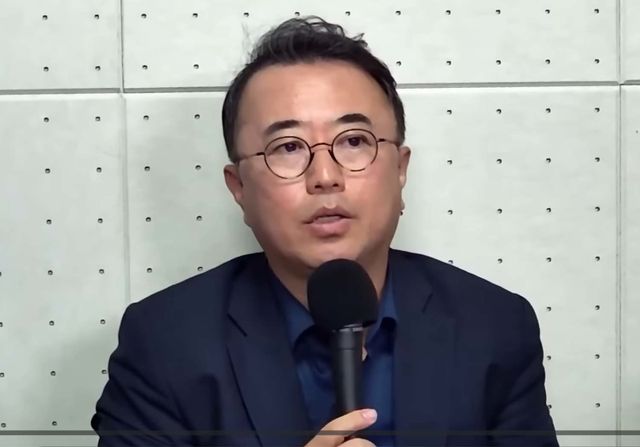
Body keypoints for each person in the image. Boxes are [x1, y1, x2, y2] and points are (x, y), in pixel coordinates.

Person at [91, 16, 559, 447]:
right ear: (239, 188)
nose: (325, 176)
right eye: (288, 147)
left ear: (400, 169)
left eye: (354, 141)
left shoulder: (494, 327)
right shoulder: (164, 343)